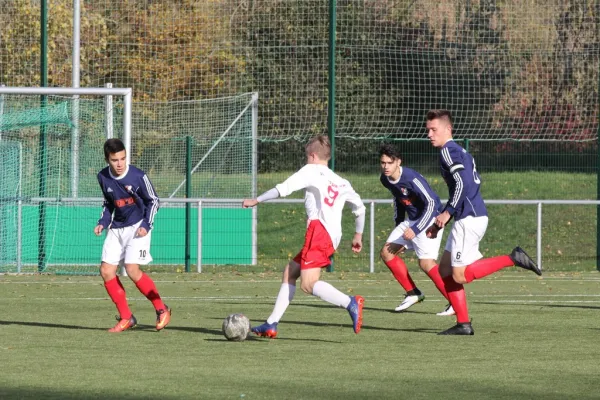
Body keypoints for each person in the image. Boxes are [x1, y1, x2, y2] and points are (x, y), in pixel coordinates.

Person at [425, 109, 542, 335]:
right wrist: (443, 219)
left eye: (433, 129)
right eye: (427, 130)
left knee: (458, 275)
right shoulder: (459, 151)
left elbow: (461, 185)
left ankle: (512, 258)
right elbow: (463, 187)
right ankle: (463, 324)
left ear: (448, 129)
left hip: (469, 218)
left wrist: (447, 213)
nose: (429, 134)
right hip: (471, 215)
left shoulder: (448, 151)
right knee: (445, 270)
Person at [242, 135, 366, 338]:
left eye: (307, 157)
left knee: (308, 284)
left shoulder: (311, 170)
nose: (306, 161)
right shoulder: (342, 182)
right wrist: (358, 235)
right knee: (290, 271)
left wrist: (257, 200)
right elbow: (360, 210)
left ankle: (350, 302)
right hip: (330, 236)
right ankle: (271, 323)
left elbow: (283, 189)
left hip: (319, 231)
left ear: (313, 156)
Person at [94, 138, 171, 332]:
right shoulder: (103, 177)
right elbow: (108, 203)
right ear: (107, 159)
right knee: (106, 271)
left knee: (131, 269)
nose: (120, 164)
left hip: (138, 226)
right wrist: (102, 222)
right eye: (115, 160)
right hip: (116, 227)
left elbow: (153, 201)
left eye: (123, 158)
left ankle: (161, 309)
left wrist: (147, 224)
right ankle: (126, 317)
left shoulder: (137, 176)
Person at [378, 144, 454, 316]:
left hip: (430, 219)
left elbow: (433, 204)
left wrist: (416, 228)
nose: (385, 167)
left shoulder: (411, 178)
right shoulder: (385, 179)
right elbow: (399, 199)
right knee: (387, 252)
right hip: (411, 221)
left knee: (426, 264)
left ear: (398, 162)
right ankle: (413, 293)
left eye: (389, 163)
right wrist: (399, 224)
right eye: (382, 163)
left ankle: (454, 302)